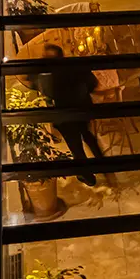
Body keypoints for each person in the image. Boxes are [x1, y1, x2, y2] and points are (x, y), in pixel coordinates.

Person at [32, 42, 108, 186]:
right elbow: (92, 83)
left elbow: (47, 92)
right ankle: (103, 164)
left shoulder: (48, 74)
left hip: (65, 115)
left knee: (76, 147)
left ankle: (89, 177)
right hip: (83, 109)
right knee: (88, 135)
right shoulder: (75, 64)